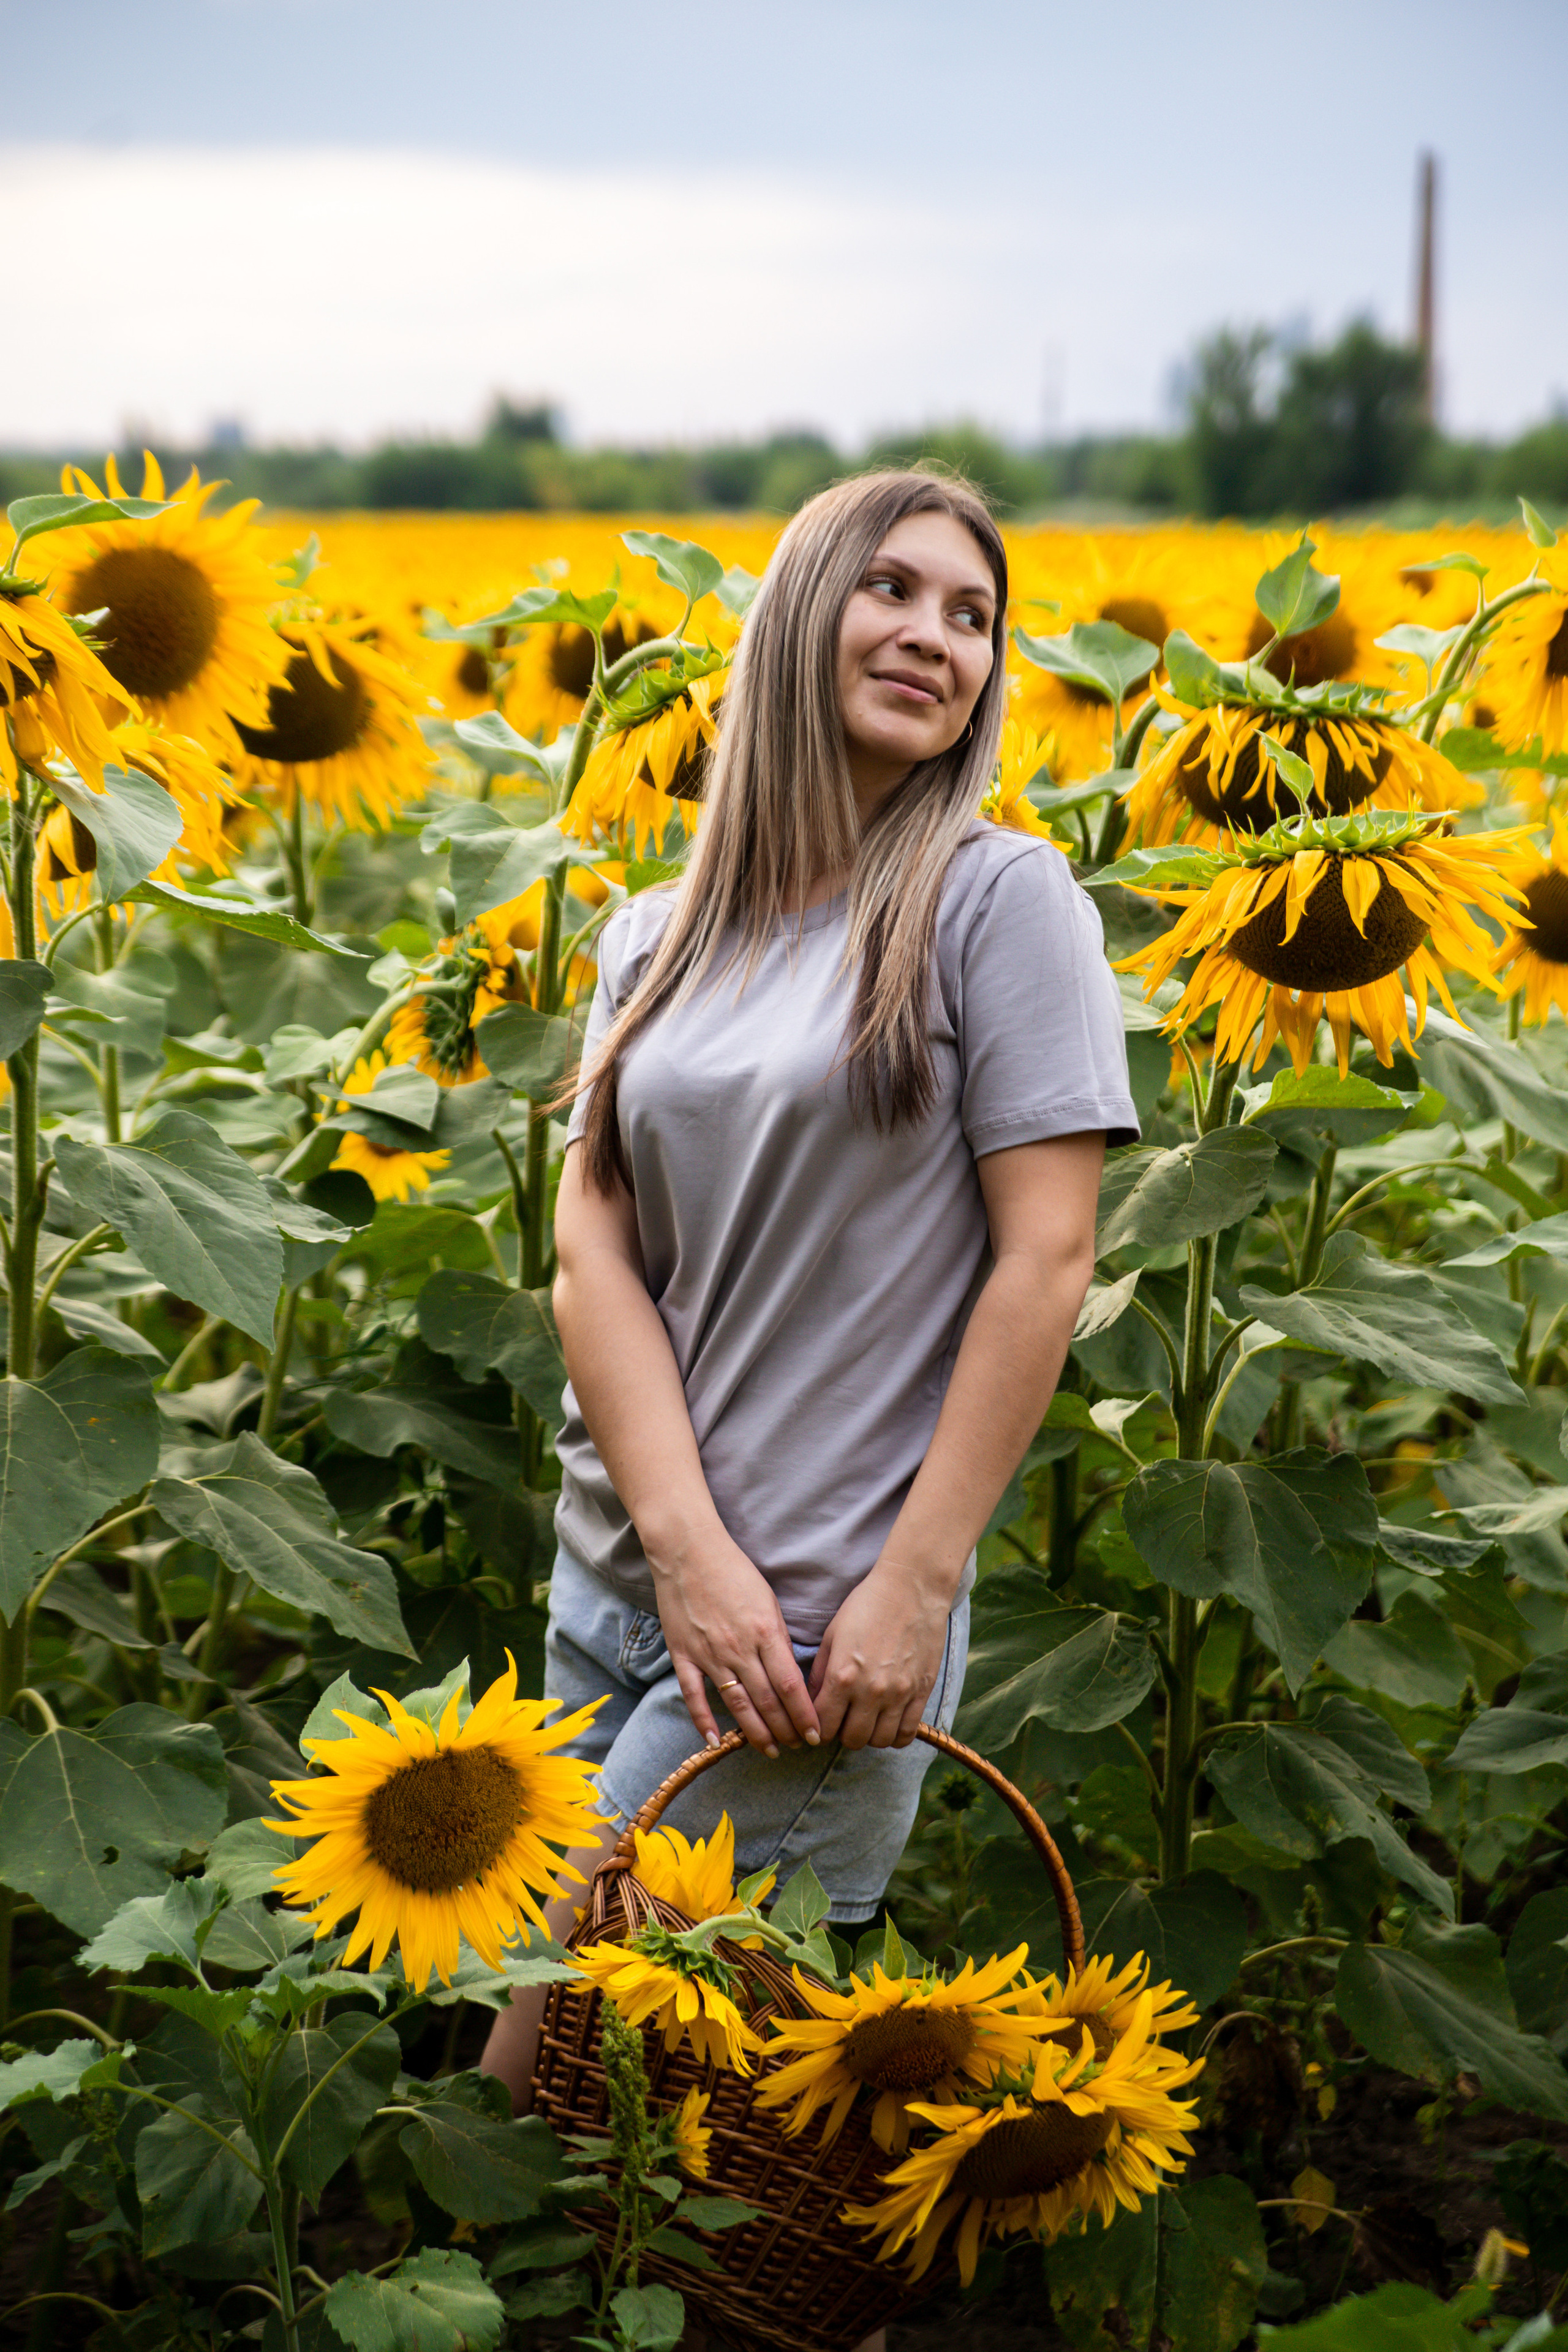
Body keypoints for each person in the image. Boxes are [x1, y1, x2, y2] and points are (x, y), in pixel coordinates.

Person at [481, 474, 1137, 2270]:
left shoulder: (1001, 906)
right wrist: (678, 1551)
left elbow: (1046, 1261)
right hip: (624, 1586)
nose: (936, 635)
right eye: (894, 589)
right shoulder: (655, 930)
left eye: (973, 614)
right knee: (613, 2130)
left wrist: (911, 1591)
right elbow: (592, 1250)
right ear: (800, 613)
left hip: (810, 1643)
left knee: (572, 2101)